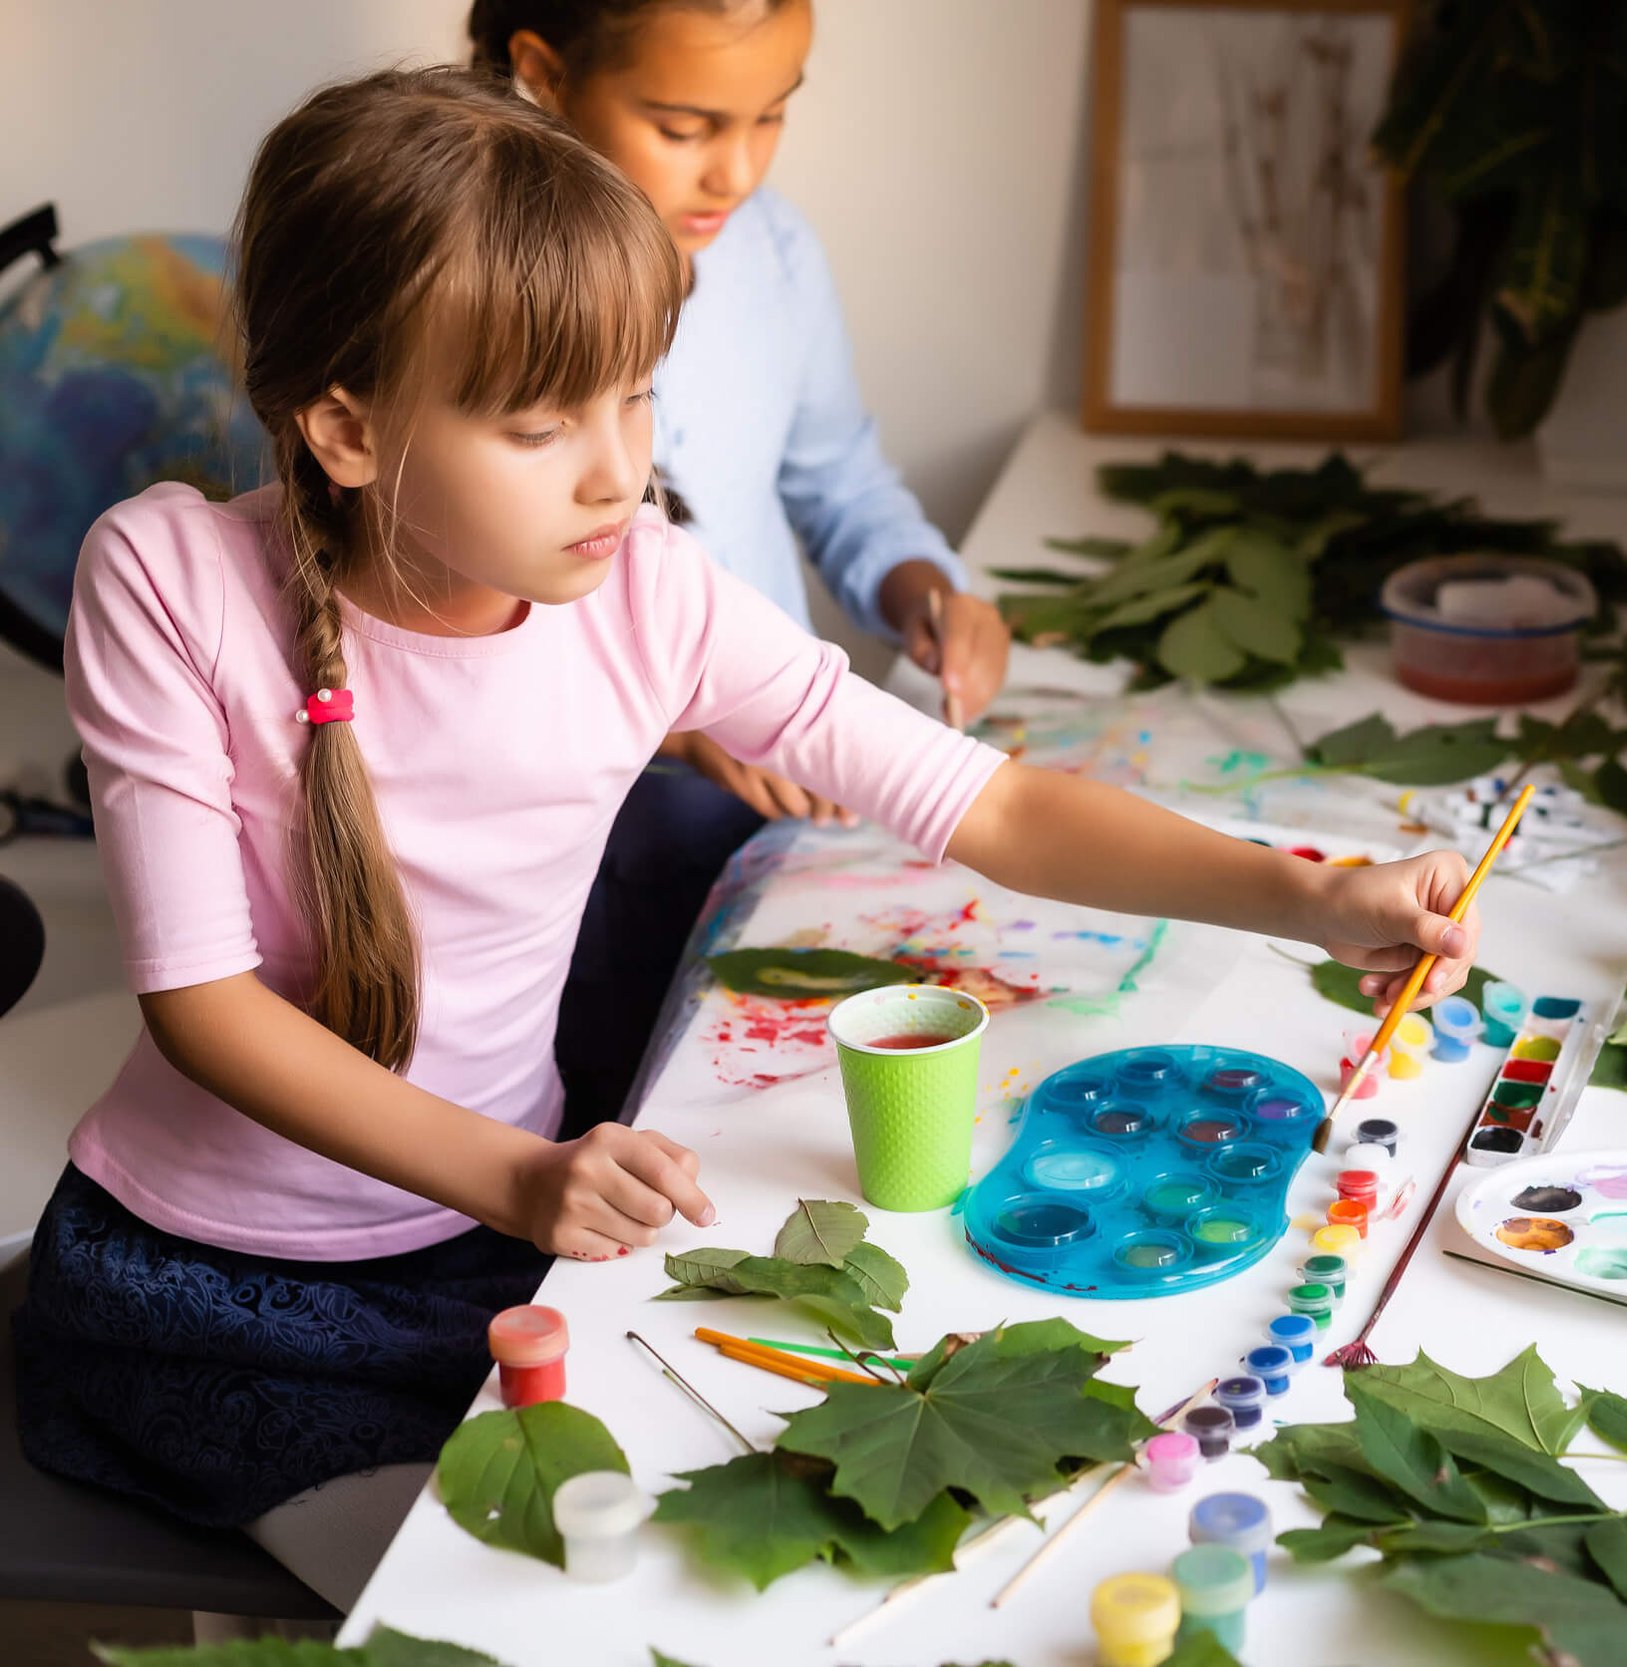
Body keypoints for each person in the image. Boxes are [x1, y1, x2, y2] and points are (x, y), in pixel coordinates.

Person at [12, 68, 1476, 1611]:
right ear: (347, 429)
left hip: (502, 1246)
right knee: (491, 1601)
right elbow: (203, 1002)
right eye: (538, 422)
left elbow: (996, 801)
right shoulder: (169, 574)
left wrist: (1310, 899)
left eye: (636, 394)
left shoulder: (650, 585)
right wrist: (517, 1176)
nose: (615, 468)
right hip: (216, 1287)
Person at [465, 0, 1017, 1126]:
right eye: (684, 126)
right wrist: (672, 716)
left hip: (778, 796)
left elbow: (834, 475)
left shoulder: (768, 250)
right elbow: (431, 609)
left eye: (770, 117)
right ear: (545, 71)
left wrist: (923, 582)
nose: (736, 168)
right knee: (622, 1114)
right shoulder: (459, 284)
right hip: (580, 838)